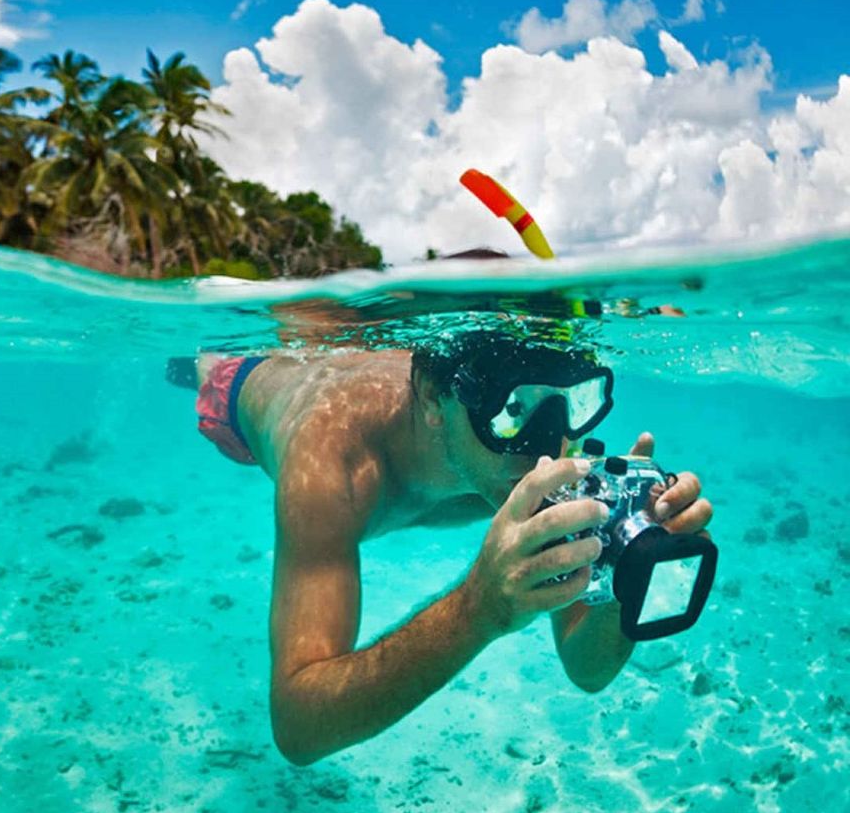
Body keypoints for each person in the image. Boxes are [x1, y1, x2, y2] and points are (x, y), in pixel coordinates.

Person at [192, 328, 715, 765]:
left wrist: (626, 573)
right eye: (511, 411)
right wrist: (477, 610)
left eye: (574, 404)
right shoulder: (332, 462)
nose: (547, 448)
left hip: (370, 352)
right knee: (202, 361)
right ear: (430, 396)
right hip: (237, 385)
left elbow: (587, 670)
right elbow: (299, 726)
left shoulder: (543, 444)